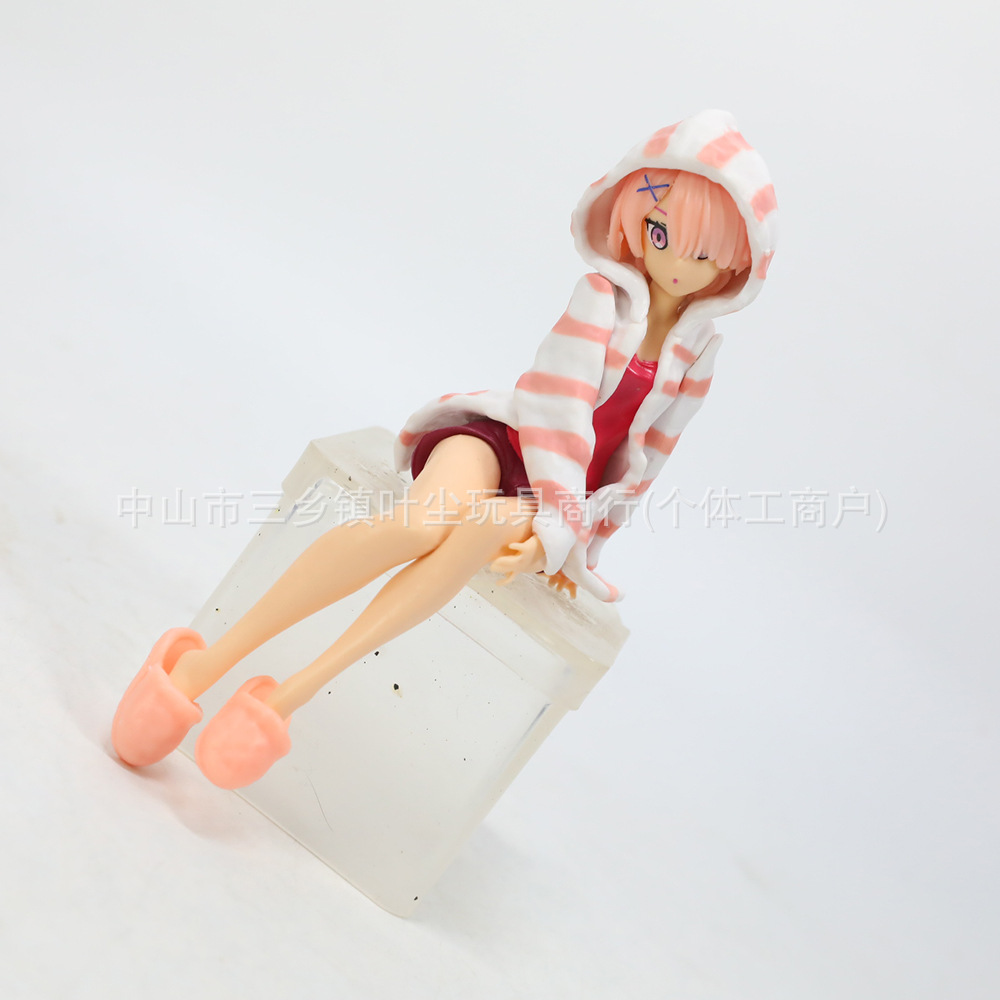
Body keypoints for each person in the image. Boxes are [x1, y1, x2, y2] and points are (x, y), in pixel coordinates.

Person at [112, 108, 778, 789]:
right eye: (661, 234)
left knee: (469, 544)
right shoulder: (601, 299)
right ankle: (203, 664)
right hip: (506, 443)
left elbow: (642, 466)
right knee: (418, 525)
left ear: (737, 264)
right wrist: (560, 523)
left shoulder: (698, 356)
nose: (677, 263)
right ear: (633, 217)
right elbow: (559, 408)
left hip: (549, 502)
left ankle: (288, 696)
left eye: (704, 254)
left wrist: (578, 547)